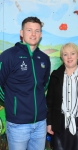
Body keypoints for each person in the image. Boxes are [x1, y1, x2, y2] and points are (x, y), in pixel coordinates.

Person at [0, 17, 51, 150]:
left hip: (40, 123)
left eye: (37, 31)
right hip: (18, 124)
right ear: (22, 33)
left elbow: (44, 85)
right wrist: (12, 103)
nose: (33, 34)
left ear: (40, 34)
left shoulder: (44, 59)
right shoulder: (8, 56)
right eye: (29, 30)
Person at [46, 43, 78, 150]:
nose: (69, 57)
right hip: (59, 125)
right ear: (62, 57)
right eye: (65, 54)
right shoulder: (55, 76)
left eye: (72, 53)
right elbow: (49, 101)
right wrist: (49, 123)